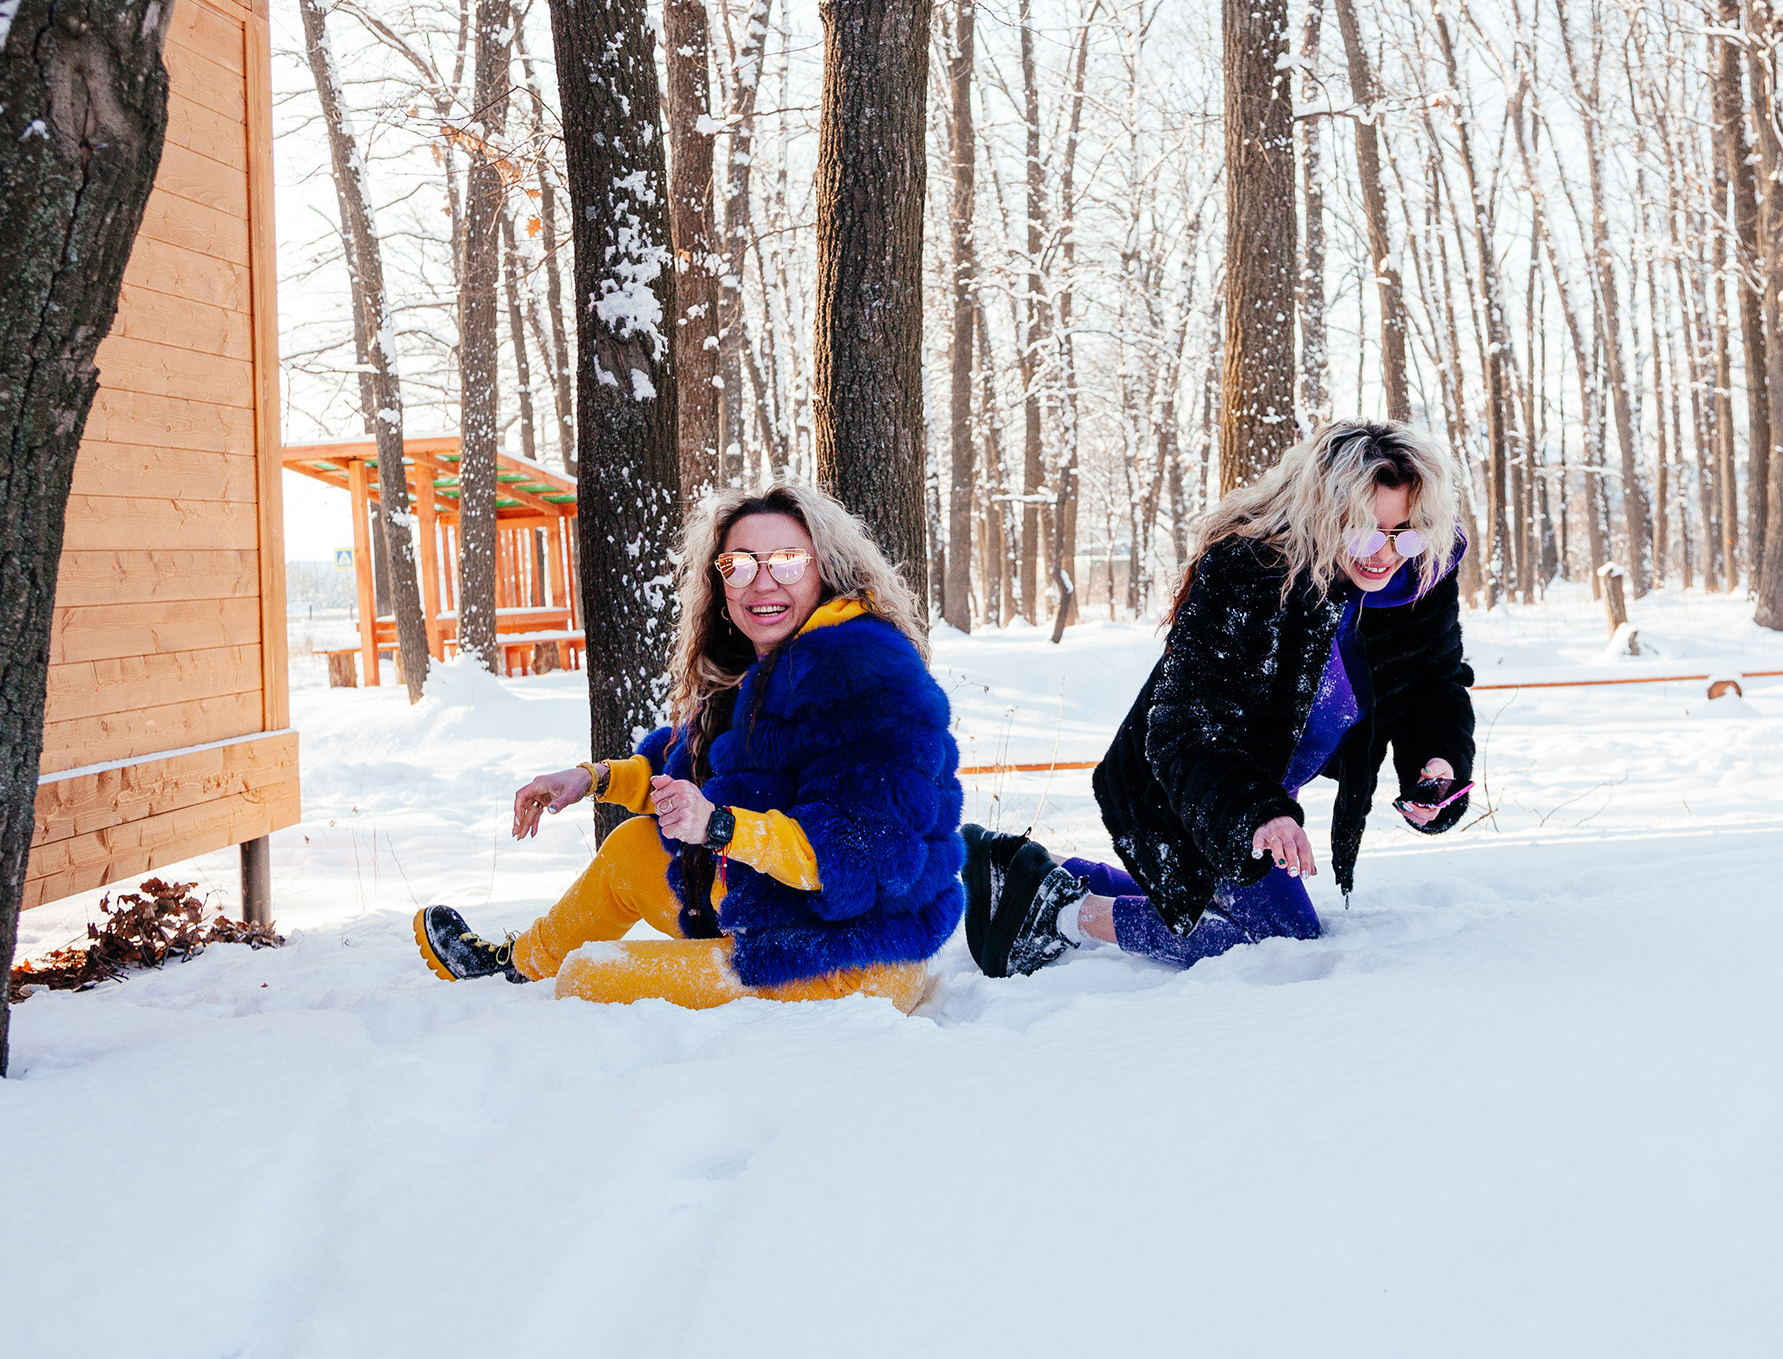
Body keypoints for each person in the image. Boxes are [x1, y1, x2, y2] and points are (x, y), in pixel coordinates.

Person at [414, 485, 964, 1013]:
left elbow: (864, 851)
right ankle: (516, 968)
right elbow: (693, 766)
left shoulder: (865, 673)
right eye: (741, 565)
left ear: (826, 570)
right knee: (632, 849)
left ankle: (558, 980)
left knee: (587, 978)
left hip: (852, 956)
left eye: (788, 561)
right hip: (779, 910)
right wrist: (595, 779)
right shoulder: (760, 667)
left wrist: (719, 827)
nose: (763, 583)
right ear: (720, 583)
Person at [964, 420, 1475, 976]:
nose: (1385, 554)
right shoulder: (1249, 571)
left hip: (1264, 789)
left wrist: (1439, 762)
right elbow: (1184, 726)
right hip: (1196, 782)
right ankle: (1065, 912)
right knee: (1283, 944)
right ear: (1325, 518)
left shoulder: (1417, 573)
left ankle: (1031, 872)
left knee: (1230, 910)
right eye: (1366, 533)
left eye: (1404, 532)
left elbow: (1433, 681)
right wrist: (1257, 814)